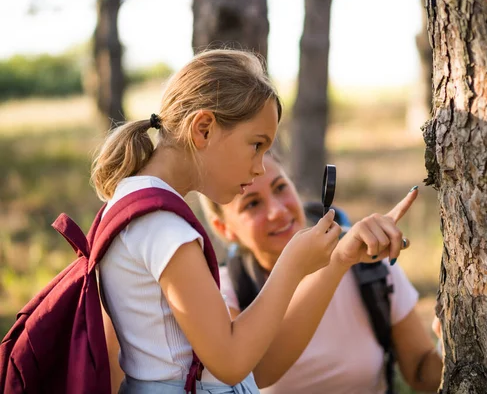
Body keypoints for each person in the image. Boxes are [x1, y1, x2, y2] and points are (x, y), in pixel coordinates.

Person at [94, 49, 401, 394]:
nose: (258, 167)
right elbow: (231, 363)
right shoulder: (163, 227)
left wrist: (335, 260)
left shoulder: (129, 203)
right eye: (256, 145)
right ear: (204, 129)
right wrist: (292, 266)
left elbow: (253, 363)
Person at [201, 152, 443, 393]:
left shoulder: (369, 262)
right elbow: (255, 374)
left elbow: (422, 374)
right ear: (223, 228)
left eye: (280, 188)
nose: (277, 211)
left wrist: (449, 345)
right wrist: (337, 262)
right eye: (252, 204)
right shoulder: (225, 292)